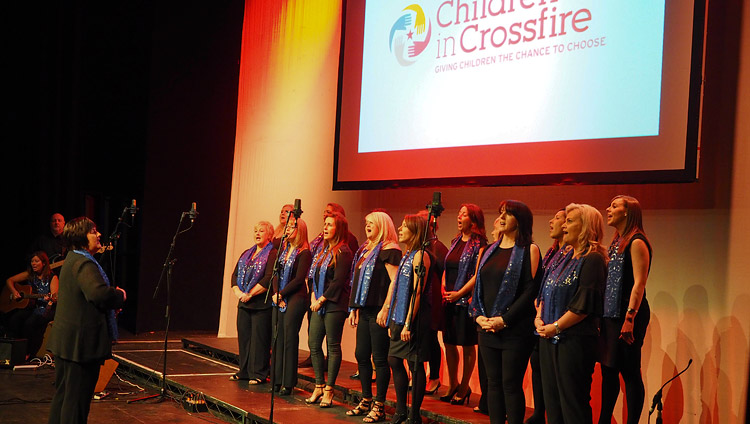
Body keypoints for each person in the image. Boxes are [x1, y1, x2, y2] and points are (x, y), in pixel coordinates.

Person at [47, 217, 126, 424]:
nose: (98, 234)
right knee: (76, 403)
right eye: (93, 231)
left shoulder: (72, 258)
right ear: (82, 237)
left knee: (64, 397)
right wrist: (119, 295)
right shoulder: (83, 262)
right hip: (80, 346)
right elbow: (97, 294)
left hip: (69, 342)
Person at [470, 200, 541, 424]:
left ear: (519, 220)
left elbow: (530, 291)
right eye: (500, 212)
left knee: (510, 384)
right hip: (487, 327)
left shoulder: (529, 249)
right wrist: (478, 316)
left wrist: (504, 320)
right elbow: (479, 288)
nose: (501, 217)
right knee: (492, 383)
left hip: (515, 330)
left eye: (507, 214)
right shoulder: (488, 250)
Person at [535, 203, 607, 424]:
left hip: (574, 343)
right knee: (553, 403)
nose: (563, 226)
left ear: (585, 226)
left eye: (570, 221)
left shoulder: (593, 259)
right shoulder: (562, 256)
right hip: (548, 338)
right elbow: (544, 292)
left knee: (572, 405)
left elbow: (583, 305)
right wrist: (539, 317)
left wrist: (555, 327)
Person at [598, 196, 652, 424]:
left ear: (628, 213)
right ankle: (603, 420)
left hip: (628, 315)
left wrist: (630, 318)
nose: (608, 209)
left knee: (629, 372)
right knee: (608, 371)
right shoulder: (616, 241)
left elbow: (639, 283)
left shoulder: (637, 241)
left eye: (614, 206)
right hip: (611, 315)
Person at [346, 212, 401, 422]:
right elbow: (357, 281)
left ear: (382, 225)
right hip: (365, 309)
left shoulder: (390, 250)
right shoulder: (366, 249)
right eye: (366, 222)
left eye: (371, 223)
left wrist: (386, 308)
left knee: (379, 358)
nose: (367, 225)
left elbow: (395, 282)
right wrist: (354, 308)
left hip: (379, 310)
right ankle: (367, 398)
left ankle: (379, 405)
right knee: (361, 354)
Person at [384, 214, 431, 424]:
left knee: (415, 363)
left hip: (414, 318)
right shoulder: (408, 254)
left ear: (416, 232)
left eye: (404, 226)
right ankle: (401, 410)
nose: (400, 229)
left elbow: (417, 292)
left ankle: (414, 414)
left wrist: (408, 323)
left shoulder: (421, 256)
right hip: (400, 316)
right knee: (393, 359)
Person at [440, 204, 486, 405]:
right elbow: (447, 267)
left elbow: (478, 275)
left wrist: (459, 293)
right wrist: (443, 286)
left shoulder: (480, 244)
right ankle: (452, 383)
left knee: (467, 345)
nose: (459, 217)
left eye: (464, 214)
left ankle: (465, 385)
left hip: (465, 302)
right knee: (449, 343)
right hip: (448, 299)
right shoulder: (455, 241)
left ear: (473, 219)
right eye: (458, 213)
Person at [306, 212, 353, 408]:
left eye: (329, 225)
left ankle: (329, 389)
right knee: (314, 343)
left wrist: (322, 299)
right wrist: (313, 297)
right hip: (318, 302)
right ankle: (318, 384)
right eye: (324, 224)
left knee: (332, 346)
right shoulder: (322, 251)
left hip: (334, 304)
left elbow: (338, 281)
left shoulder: (344, 252)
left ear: (338, 229)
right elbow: (312, 277)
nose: (325, 228)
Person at [525, 208, 565, 424]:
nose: (552, 221)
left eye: (558, 218)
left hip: (558, 324)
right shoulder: (551, 252)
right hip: (541, 318)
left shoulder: (572, 255)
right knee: (537, 365)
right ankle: (540, 411)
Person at [230, 221, 277, 384]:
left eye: (261, 231)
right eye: (255, 230)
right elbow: (234, 275)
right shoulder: (246, 253)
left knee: (259, 341)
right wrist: (239, 293)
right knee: (244, 339)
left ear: (269, 235)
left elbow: (268, 278)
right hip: (244, 303)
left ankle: (258, 373)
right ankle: (244, 371)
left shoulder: (272, 254)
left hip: (260, 305)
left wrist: (250, 293)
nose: (257, 233)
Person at [271, 217, 312, 395]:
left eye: (291, 228)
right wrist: (275, 293)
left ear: (300, 230)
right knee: (278, 336)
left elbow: (298, 279)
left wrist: (281, 294)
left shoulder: (304, 253)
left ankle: (288, 382)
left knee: (289, 337)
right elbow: (274, 273)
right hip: (279, 295)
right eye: (286, 227)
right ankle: (276, 380)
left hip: (296, 296)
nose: (287, 230)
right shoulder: (283, 250)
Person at [417, 210, 448, 398]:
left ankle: (435, 376)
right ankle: (419, 373)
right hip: (420, 296)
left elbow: (444, 272)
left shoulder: (439, 247)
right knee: (419, 336)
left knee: (430, 336)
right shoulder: (419, 247)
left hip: (431, 297)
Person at [5, 251, 58, 359]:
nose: (33, 264)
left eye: (36, 261)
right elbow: (9, 280)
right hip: (32, 307)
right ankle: (13, 350)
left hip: (46, 309)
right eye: (32, 261)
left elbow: (55, 297)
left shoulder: (52, 277)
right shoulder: (30, 274)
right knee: (15, 319)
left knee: (30, 323)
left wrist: (50, 299)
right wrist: (15, 292)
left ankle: (28, 353)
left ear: (44, 263)